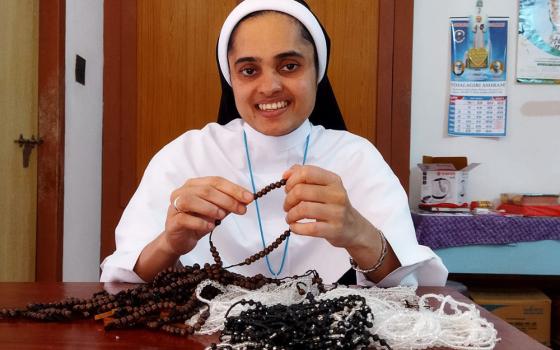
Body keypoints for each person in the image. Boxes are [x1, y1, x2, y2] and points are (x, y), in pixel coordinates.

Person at [100, 0, 448, 287]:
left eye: (289, 65)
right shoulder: (186, 156)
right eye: (249, 70)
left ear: (317, 72)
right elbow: (124, 277)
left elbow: (406, 283)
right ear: (231, 80)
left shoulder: (357, 157)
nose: (269, 87)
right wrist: (170, 242)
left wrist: (358, 233)